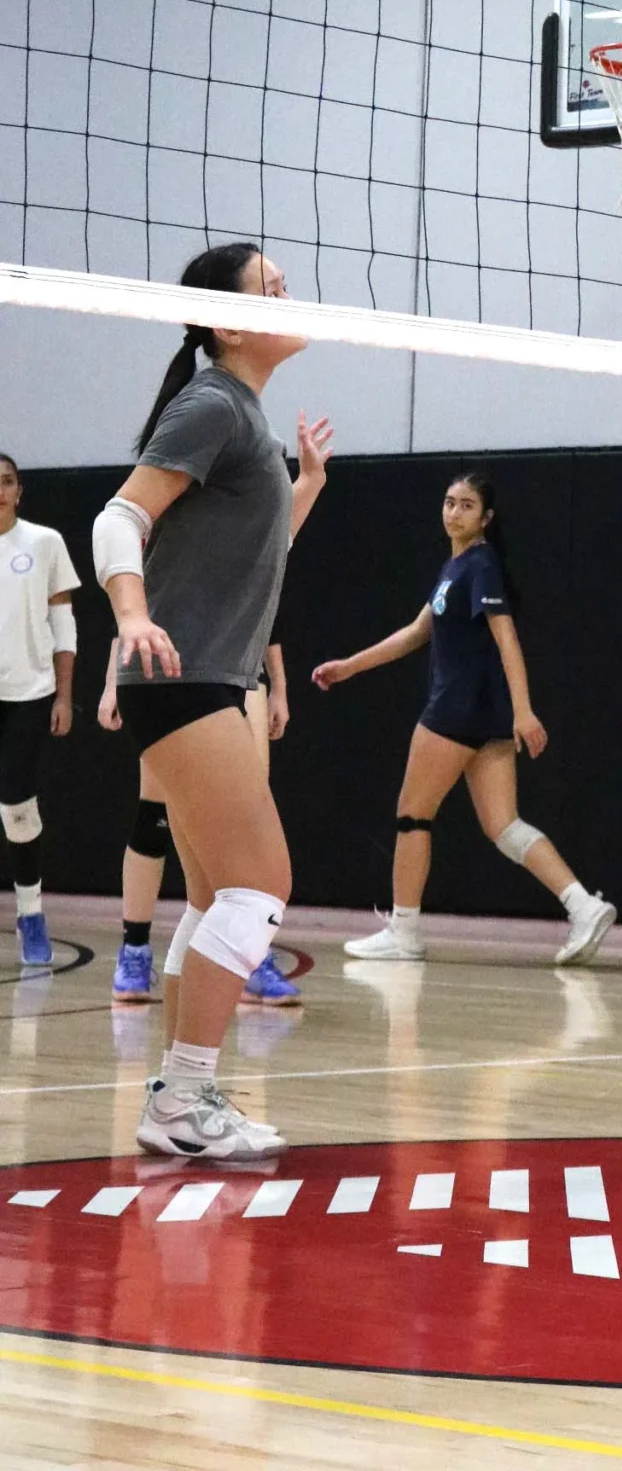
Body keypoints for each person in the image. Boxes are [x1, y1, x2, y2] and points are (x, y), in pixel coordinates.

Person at [91, 241, 333, 1158]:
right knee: (259, 885)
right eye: (272, 290)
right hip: (181, 673)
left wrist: (305, 486)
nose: (290, 297)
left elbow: (256, 549)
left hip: (203, 675)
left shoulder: (243, 419)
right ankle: (182, 1100)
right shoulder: (211, 403)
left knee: (207, 899)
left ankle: (180, 1096)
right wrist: (130, 615)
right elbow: (120, 515)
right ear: (230, 323)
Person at [313, 470, 615, 967]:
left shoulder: (481, 566)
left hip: (458, 708)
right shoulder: (455, 568)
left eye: (466, 505)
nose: (454, 512)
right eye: (449, 502)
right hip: (483, 714)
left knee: (413, 815)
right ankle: (583, 906)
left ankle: (404, 931)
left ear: (486, 518)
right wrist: (349, 667)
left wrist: (524, 710)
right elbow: (415, 633)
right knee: (503, 825)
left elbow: (506, 639)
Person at [100, 633, 300, 1006]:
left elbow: (269, 612)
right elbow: (135, 592)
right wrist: (114, 680)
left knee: (247, 813)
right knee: (154, 814)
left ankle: (252, 958)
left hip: (241, 674)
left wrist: (279, 689)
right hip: (173, 669)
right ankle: (134, 951)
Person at [0, 454, 78, 968]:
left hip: (28, 694)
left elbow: (64, 625)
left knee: (16, 809)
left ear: (20, 489)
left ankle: (31, 916)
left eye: (6, 481)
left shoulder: (44, 542)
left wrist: (65, 694)